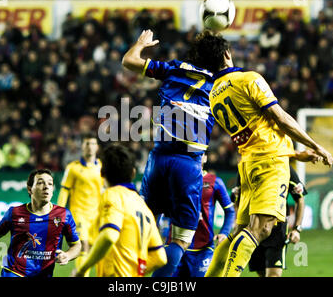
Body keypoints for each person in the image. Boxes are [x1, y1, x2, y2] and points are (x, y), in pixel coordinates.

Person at [203, 30, 333, 277]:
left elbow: (258, 136)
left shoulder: (214, 94)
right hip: (269, 164)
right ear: (227, 53)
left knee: (238, 233)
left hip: (250, 164)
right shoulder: (248, 79)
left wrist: (294, 154)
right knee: (261, 229)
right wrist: (315, 145)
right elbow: (280, 118)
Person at [122, 29, 217, 277]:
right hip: (188, 163)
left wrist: (140, 44)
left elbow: (128, 61)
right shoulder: (221, 84)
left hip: (159, 158)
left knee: (146, 226)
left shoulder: (173, 68)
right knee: (182, 238)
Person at [0, 168, 81, 277]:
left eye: (50, 183)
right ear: (30, 189)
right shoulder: (15, 213)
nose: (46, 187)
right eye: (40, 183)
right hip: (14, 272)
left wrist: (68, 255)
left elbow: (76, 245)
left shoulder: (64, 215)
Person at [75, 144, 167, 277]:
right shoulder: (142, 205)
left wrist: (82, 269)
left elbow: (109, 236)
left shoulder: (112, 195)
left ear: (102, 173)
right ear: (133, 173)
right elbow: (160, 257)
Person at [232, 165, 308, 277]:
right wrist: (238, 224)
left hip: (277, 228)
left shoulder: (284, 166)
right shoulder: (247, 164)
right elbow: (237, 199)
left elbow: (299, 198)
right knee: (261, 273)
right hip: (253, 227)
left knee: (273, 274)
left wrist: (297, 229)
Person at [172, 153, 235, 277]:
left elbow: (230, 211)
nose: (196, 156)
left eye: (200, 154)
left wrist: (224, 232)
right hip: (177, 246)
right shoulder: (176, 179)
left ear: (205, 158)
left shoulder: (215, 181)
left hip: (203, 249)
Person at [57, 132, 103, 277]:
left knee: (96, 249)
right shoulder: (73, 168)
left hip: (96, 215)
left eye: (93, 144)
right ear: (82, 147)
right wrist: (58, 213)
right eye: (87, 144)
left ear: (97, 147)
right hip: (79, 213)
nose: (90, 147)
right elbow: (65, 191)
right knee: (83, 246)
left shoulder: (101, 167)